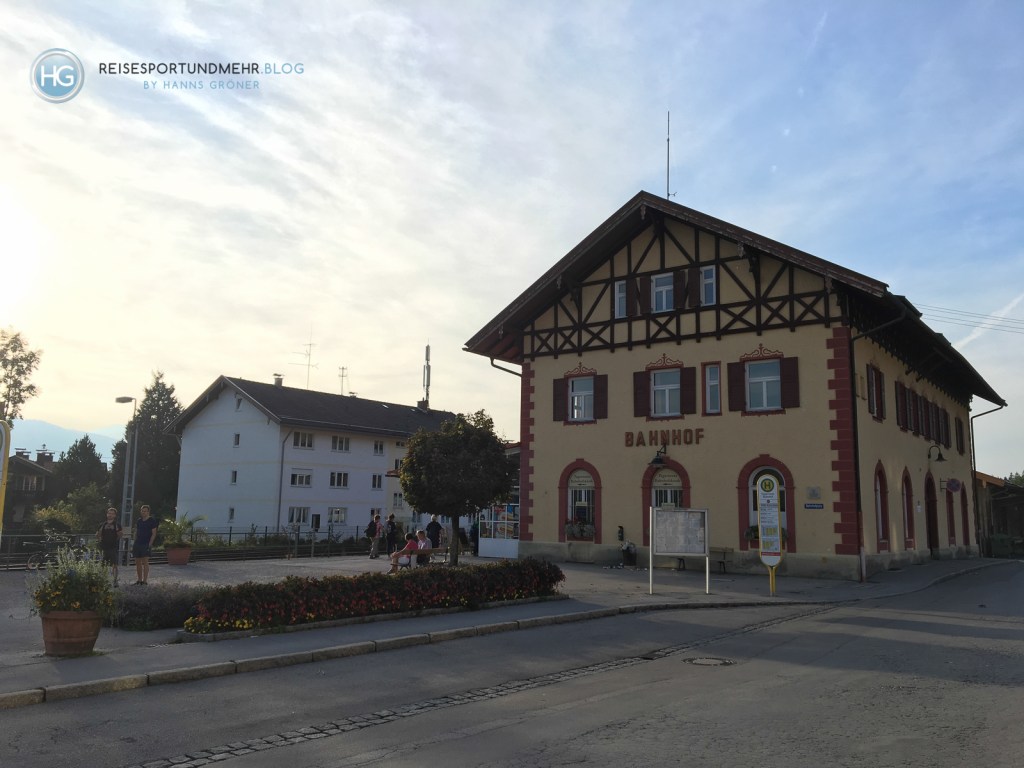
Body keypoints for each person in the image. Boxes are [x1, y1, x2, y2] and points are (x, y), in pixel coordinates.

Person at [131, 504, 159, 585]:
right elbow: (136, 531)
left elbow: (154, 533)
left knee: (145, 562)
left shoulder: (152, 521)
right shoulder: (139, 520)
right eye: (142, 511)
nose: (144, 512)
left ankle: (145, 581)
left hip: (146, 543)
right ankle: (139, 580)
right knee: (137, 562)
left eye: (145, 511)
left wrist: (150, 544)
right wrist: (134, 541)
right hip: (137, 543)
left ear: (148, 512)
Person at [96, 506, 123, 584]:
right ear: (107, 514)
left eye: (112, 513)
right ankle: (102, 580)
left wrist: (116, 538)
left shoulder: (117, 525)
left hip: (113, 547)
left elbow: (120, 535)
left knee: (114, 565)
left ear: (115, 515)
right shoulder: (102, 524)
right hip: (103, 547)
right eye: (109, 513)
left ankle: (115, 581)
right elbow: (97, 536)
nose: (110, 515)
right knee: (102, 565)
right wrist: (98, 535)